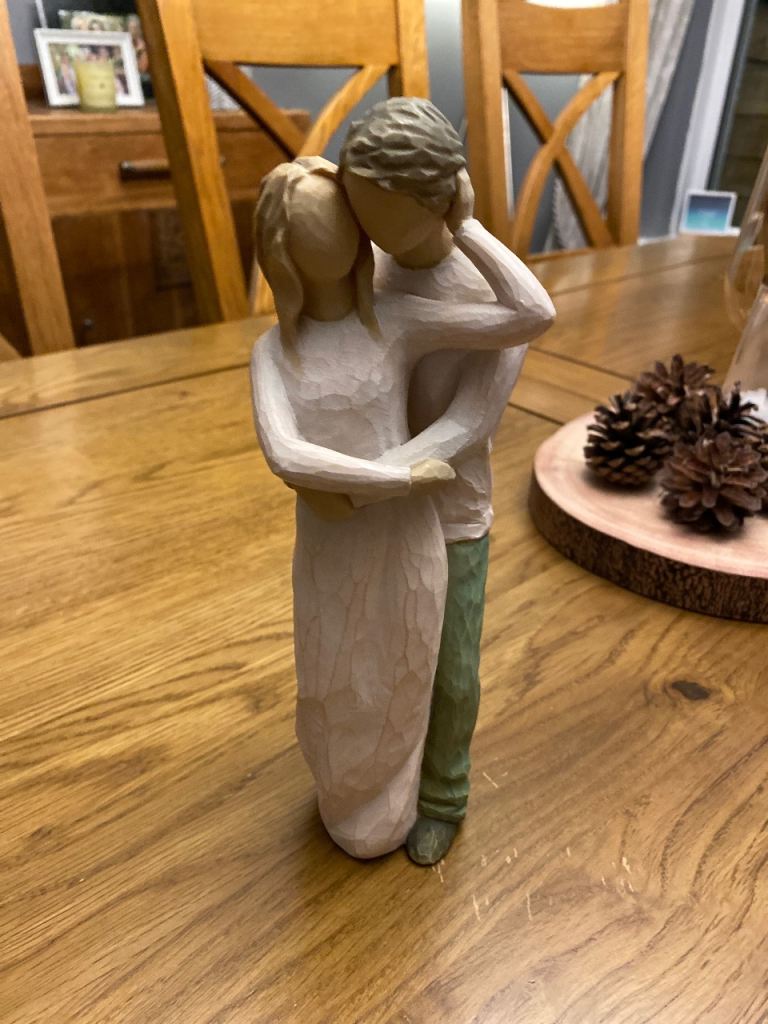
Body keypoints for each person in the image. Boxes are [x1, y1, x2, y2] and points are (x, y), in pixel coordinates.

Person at [250, 157, 553, 860]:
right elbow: (284, 452)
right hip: (340, 532)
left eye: (342, 213)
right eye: (343, 209)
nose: (347, 228)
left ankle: (431, 796)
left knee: (419, 669)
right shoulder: (275, 349)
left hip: (414, 526)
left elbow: (530, 315)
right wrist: (388, 478)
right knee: (334, 668)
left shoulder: (395, 318)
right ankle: (349, 789)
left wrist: (467, 225)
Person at [339, 97, 547, 865]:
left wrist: (384, 474)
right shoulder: (373, 270)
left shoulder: (494, 299)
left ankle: (444, 795)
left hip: (449, 510)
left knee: (451, 667)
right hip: (375, 505)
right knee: (381, 655)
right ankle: (379, 778)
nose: (362, 224)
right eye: (355, 204)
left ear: (438, 201)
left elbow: (469, 424)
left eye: (378, 209)